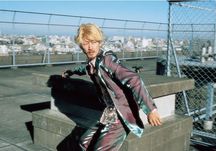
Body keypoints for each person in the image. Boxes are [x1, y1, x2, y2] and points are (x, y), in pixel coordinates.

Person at [62, 23, 161, 151]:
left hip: (120, 116)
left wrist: (150, 110)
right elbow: (84, 68)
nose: (90, 47)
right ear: (81, 46)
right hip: (108, 113)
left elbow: (134, 79)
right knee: (83, 143)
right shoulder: (92, 63)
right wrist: (70, 72)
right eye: (86, 43)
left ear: (99, 43)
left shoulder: (107, 60)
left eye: (93, 42)